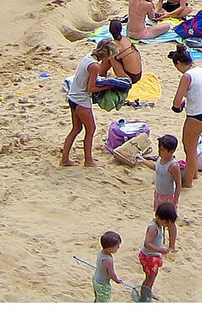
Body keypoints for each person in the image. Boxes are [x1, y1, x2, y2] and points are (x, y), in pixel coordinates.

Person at [62, 39, 124, 167]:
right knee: (90, 129)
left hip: (73, 97)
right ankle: (88, 161)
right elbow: (91, 88)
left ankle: (65, 159)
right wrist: (107, 87)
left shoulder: (88, 58)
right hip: (81, 100)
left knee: (76, 128)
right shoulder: (94, 66)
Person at [168, 45, 202, 189]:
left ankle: (188, 182)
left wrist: (177, 106)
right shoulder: (200, 70)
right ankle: (195, 173)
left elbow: (176, 101)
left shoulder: (187, 76)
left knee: (189, 149)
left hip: (196, 115)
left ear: (179, 63)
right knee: (193, 144)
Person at [139, 202, 178, 300]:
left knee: (153, 275)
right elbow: (147, 243)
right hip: (149, 256)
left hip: (154, 255)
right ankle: (143, 297)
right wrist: (159, 250)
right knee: (149, 277)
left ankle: (148, 292)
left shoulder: (160, 224)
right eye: (166, 223)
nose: (166, 225)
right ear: (158, 217)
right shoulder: (153, 228)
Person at [139, 133, 184, 216]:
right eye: (159, 148)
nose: (159, 151)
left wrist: (175, 201)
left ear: (171, 151)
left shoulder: (173, 166)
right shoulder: (160, 159)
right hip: (158, 193)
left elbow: (178, 184)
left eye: (162, 150)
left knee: (168, 218)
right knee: (158, 215)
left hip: (168, 196)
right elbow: (157, 167)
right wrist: (144, 162)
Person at [106, 18, 143, 83]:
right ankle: (102, 73)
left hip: (128, 78)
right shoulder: (126, 39)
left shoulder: (113, 46)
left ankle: (101, 74)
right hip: (138, 74)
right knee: (113, 54)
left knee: (111, 56)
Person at [93, 231, 126, 303]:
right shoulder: (108, 260)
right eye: (117, 246)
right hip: (103, 284)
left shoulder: (100, 252)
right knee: (104, 301)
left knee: (98, 297)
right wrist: (117, 280)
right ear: (109, 249)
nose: (118, 247)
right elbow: (111, 274)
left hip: (96, 279)